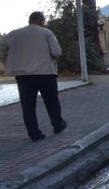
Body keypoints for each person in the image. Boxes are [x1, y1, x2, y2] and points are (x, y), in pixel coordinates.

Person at [0, 11, 67, 141]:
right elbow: (56, 52)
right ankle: (58, 124)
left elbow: (1, 47)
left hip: (23, 75)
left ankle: (34, 133)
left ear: (30, 20)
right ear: (41, 21)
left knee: (28, 106)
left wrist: (5, 61)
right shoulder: (46, 33)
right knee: (51, 101)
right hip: (46, 73)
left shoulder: (14, 34)